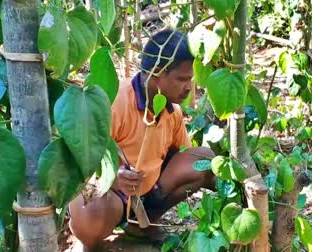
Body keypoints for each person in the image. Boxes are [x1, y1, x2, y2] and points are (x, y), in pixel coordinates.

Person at [68, 29, 215, 250]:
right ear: (156, 72)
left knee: (203, 159)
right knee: (89, 221)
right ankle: (95, 238)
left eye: (190, 79)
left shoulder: (171, 111)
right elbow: (81, 160)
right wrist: (113, 178)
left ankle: (141, 226)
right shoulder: (115, 102)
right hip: (111, 195)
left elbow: (185, 156)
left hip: (149, 193)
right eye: (182, 79)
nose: (188, 88)